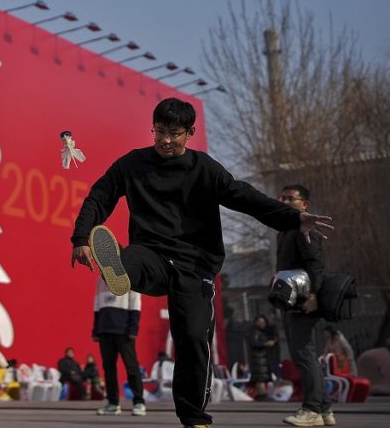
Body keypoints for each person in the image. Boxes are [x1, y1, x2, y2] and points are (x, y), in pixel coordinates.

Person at [70, 98, 333, 428]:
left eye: (174, 133)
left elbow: (244, 196)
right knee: (132, 259)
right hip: (151, 252)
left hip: (195, 264)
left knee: (193, 338)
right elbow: (100, 194)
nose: (165, 140)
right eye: (159, 132)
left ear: (189, 133)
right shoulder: (133, 164)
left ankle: (194, 417)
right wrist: (81, 238)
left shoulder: (204, 169)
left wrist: (293, 218)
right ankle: (120, 271)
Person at [277, 184, 335, 426]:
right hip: (290, 299)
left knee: (303, 354)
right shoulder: (286, 229)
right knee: (303, 354)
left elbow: (315, 264)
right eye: (283, 198)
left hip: (304, 300)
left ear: (304, 204)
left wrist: (312, 295)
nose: (286, 202)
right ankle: (324, 410)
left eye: (292, 199)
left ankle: (312, 409)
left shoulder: (304, 228)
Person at [92, 277, 146, 416]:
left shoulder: (129, 274)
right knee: (108, 369)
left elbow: (135, 302)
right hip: (105, 329)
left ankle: (139, 402)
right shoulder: (100, 279)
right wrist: (96, 330)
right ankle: (113, 403)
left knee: (131, 367)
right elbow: (97, 305)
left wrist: (133, 328)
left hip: (124, 330)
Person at [247, 315, 278, 400]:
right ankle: (262, 394)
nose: (263, 324)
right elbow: (254, 343)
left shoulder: (262, 332)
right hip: (258, 359)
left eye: (264, 322)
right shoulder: (254, 332)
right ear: (256, 322)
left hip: (263, 359)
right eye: (261, 322)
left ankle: (262, 394)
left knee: (262, 378)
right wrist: (265, 344)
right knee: (260, 378)